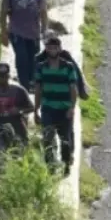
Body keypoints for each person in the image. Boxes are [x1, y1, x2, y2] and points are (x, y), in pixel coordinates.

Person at [33, 35, 80, 174]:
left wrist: (71, 107)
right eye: (49, 48)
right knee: (47, 138)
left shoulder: (68, 67)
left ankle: (66, 164)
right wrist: (36, 110)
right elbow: (38, 89)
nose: (52, 50)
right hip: (48, 108)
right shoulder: (41, 67)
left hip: (64, 109)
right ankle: (50, 167)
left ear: (59, 49)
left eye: (55, 47)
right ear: (46, 50)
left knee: (65, 139)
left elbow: (73, 89)